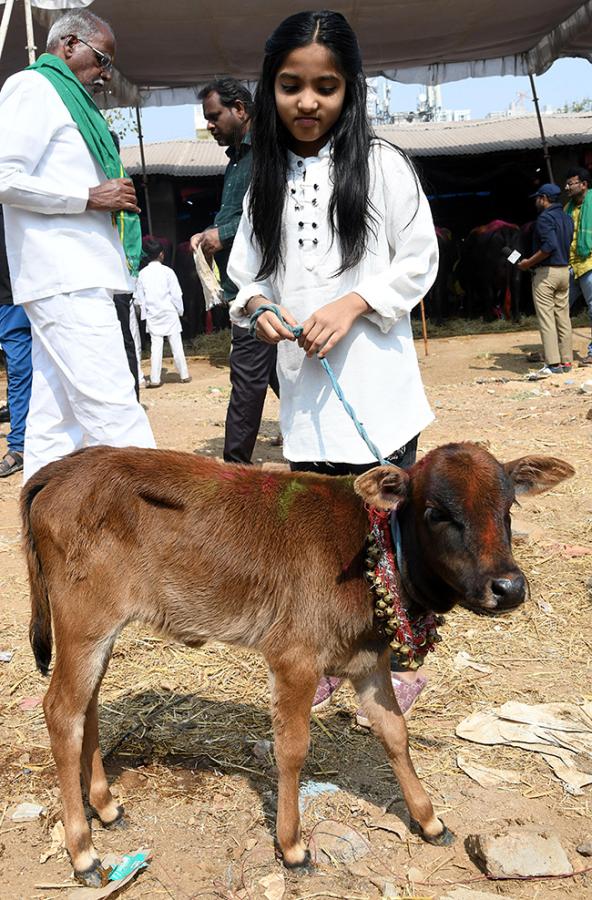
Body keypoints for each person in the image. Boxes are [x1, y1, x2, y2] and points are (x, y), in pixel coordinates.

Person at [227, 10, 438, 716]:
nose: (307, 102)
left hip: (377, 393)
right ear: (269, 88)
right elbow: (246, 274)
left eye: (326, 86)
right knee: (320, 541)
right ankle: (324, 653)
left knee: (387, 537)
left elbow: (419, 260)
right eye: (291, 86)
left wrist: (353, 304)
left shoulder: (382, 164)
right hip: (308, 398)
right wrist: (258, 309)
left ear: (351, 90)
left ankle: (398, 655)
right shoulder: (263, 176)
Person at [0, 10, 155, 482]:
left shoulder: (66, 101)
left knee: (54, 426)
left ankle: (42, 530)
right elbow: (4, 176)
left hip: (76, 276)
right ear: (69, 45)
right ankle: (162, 530)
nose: (105, 72)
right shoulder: (34, 89)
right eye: (102, 58)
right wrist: (89, 196)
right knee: (116, 412)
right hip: (65, 276)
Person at [190, 78, 280, 464]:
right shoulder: (239, 158)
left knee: (246, 380)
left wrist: (221, 234)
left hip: (259, 287)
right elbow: (235, 213)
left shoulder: (266, 152)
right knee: (279, 375)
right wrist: (211, 232)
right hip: (248, 285)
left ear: (240, 109)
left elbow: (268, 210)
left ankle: (235, 469)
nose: (210, 125)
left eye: (215, 117)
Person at [517, 183, 573, 377]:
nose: (536, 202)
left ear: (544, 199)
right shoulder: (567, 218)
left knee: (547, 319)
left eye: (537, 198)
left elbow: (549, 247)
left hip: (547, 274)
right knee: (563, 317)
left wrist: (527, 263)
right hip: (565, 272)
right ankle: (566, 361)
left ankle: (553, 364)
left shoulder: (544, 219)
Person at [0, 205, 32, 477]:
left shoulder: (17, 193)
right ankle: (20, 445)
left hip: (37, 293)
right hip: (8, 302)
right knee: (19, 373)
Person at [134, 238, 190, 387]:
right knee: (176, 345)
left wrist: (143, 314)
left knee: (156, 347)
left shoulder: (142, 274)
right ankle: (184, 375)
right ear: (161, 254)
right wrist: (180, 311)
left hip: (153, 315)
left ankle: (155, 379)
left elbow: (139, 298)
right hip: (169, 312)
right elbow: (176, 294)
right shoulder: (168, 272)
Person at [564, 167, 592, 365]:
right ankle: (558, 351)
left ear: (584, 185)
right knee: (559, 307)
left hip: (590, 263)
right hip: (571, 265)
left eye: (571, 183)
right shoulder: (567, 208)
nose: (567, 187)